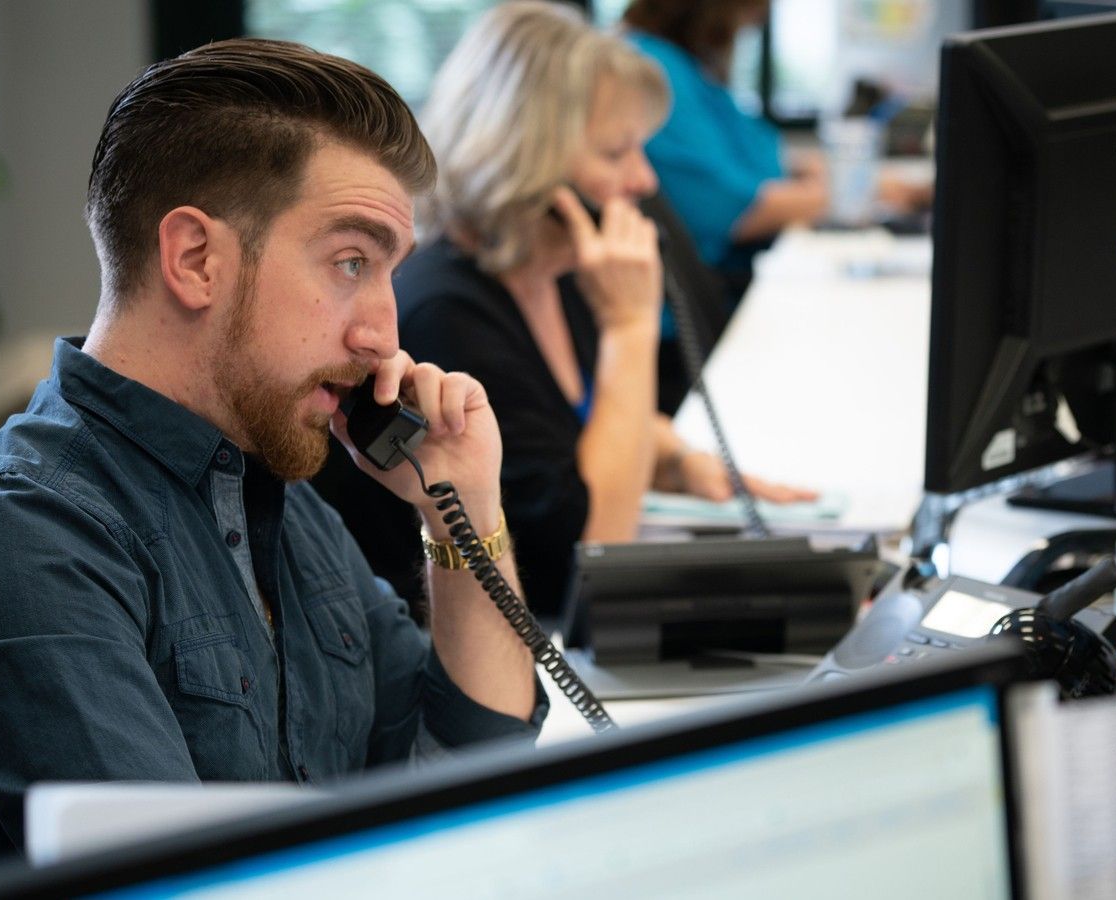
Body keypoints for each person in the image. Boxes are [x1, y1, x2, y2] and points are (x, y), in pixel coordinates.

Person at [0, 38, 544, 856]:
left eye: (388, 273)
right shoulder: (32, 537)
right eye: (351, 261)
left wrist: (462, 512)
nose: (384, 331)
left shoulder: (278, 495)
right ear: (196, 259)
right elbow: (184, 883)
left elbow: (475, 775)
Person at [313, 1, 815, 622]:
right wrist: (631, 329)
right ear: (528, 162)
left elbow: (576, 430)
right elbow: (586, 563)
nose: (644, 182)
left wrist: (675, 458)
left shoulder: (556, 272)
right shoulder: (448, 315)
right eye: (614, 154)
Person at [621, 0, 829, 300]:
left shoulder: (688, 69)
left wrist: (805, 172)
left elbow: (753, 153)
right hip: (697, 305)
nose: (753, 26)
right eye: (750, 13)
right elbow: (732, 209)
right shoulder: (655, 70)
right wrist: (840, 194)